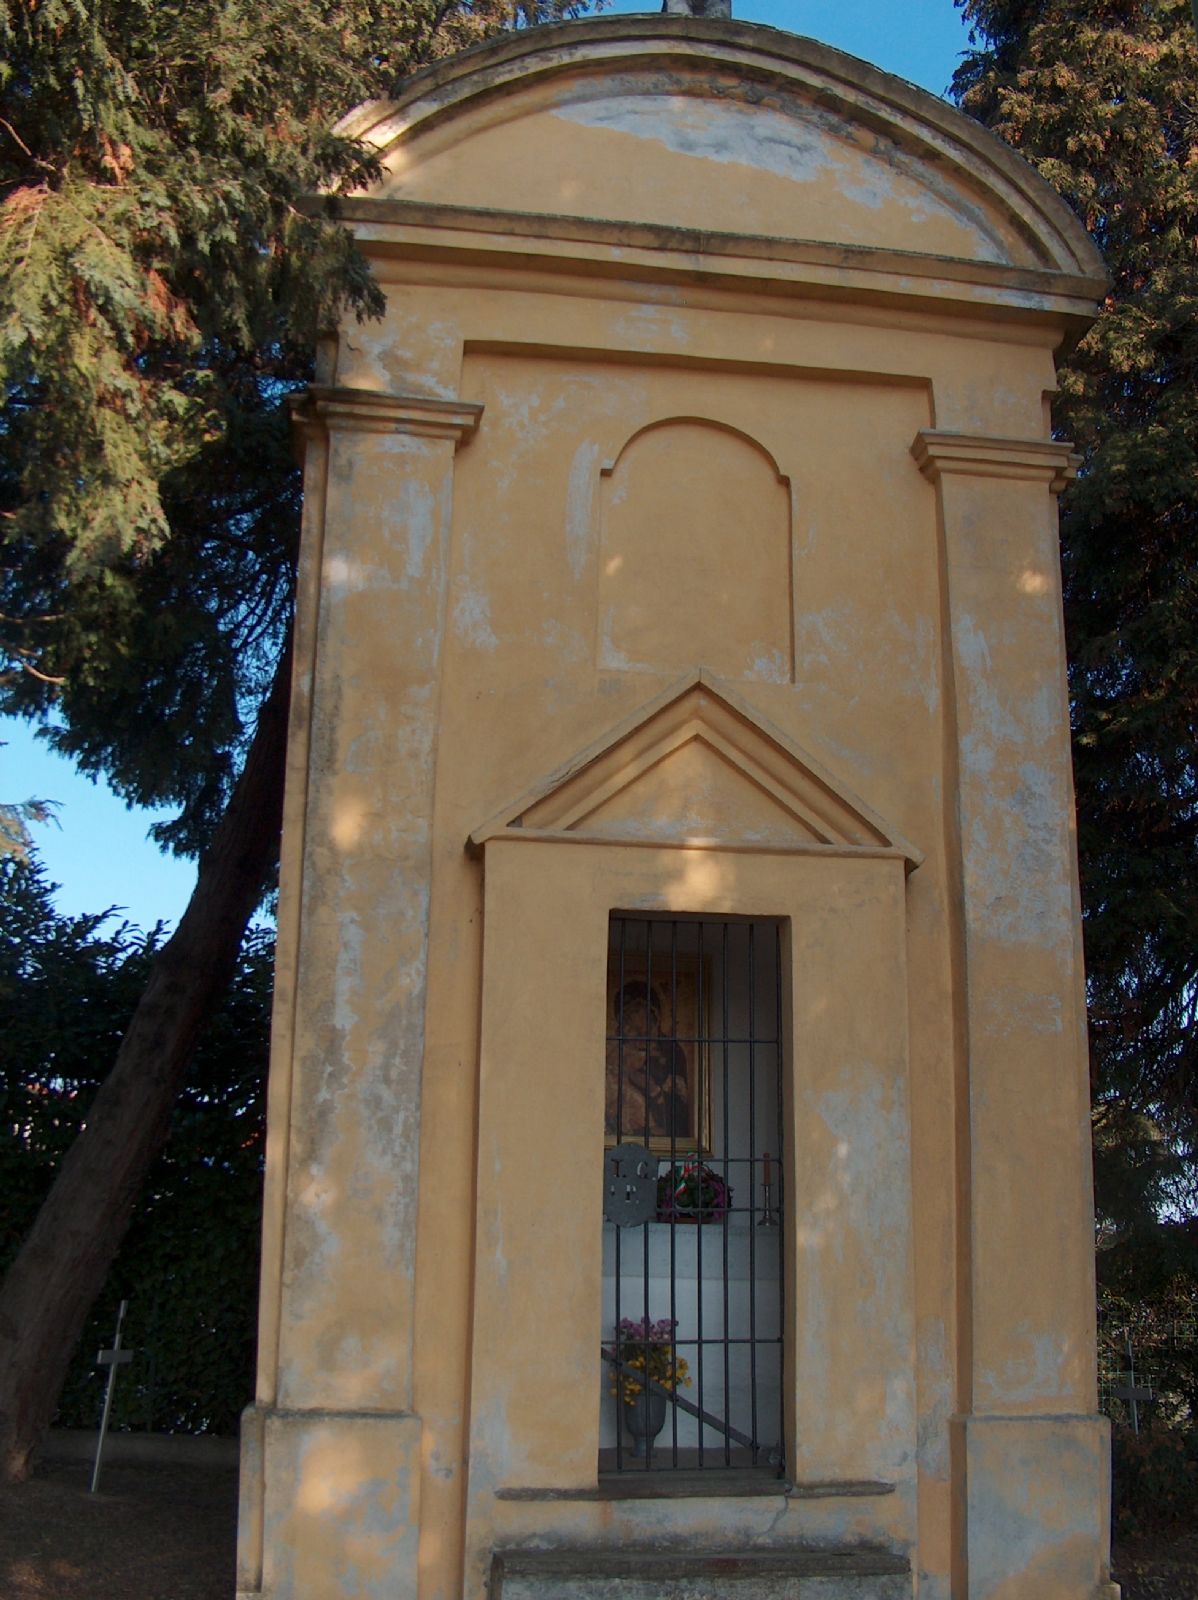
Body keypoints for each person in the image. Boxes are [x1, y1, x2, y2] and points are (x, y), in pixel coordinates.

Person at [605, 979, 691, 1143]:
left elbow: (681, 1108)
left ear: (654, 1017)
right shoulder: (616, 1049)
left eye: (645, 1020)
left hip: (660, 1125)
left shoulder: (670, 1050)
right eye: (628, 1020)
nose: (638, 1030)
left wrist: (655, 1091)